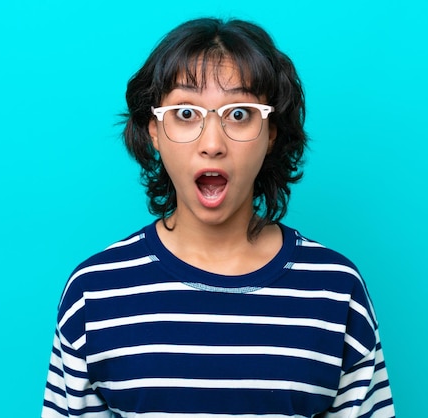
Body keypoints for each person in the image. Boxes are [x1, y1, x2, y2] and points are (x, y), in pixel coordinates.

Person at [42, 17, 395, 418]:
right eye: (186, 113)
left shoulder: (335, 289)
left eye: (240, 114)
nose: (213, 143)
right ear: (154, 131)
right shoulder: (95, 292)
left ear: (271, 132)